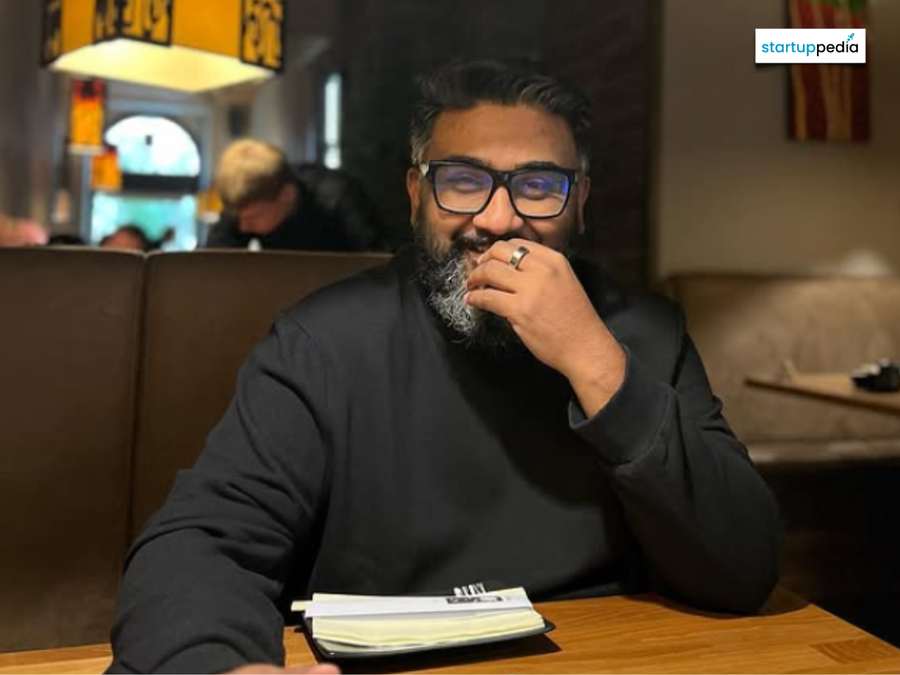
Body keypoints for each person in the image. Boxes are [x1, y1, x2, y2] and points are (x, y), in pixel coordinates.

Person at [108, 60, 781, 673]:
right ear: (416, 194)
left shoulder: (648, 333)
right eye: (463, 181)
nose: (498, 219)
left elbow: (744, 567)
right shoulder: (324, 340)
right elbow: (201, 544)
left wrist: (596, 362)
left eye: (538, 185)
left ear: (579, 200)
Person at [205, 139, 383, 252]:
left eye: (254, 216)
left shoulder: (340, 199)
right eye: (238, 217)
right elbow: (215, 266)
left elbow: (378, 270)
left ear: (286, 195)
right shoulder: (245, 205)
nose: (243, 227)